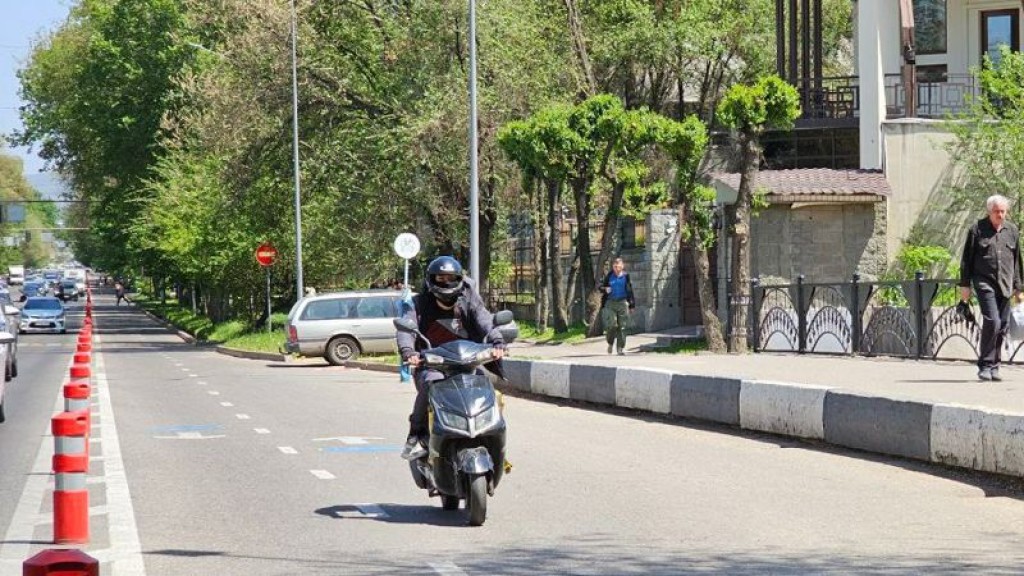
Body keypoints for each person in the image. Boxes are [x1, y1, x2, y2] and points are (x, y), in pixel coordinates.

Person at [396, 256, 506, 460]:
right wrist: (409, 352)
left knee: (485, 384)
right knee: (431, 383)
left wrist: (497, 341)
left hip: (467, 363)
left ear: (459, 279)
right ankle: (416, 435)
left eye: (451, 278)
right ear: (431, 280)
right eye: (440, 278)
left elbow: (484, 320)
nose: (446, 282)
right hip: (433, 364)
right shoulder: (419, 304)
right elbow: (406, 329)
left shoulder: (469, 299)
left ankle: (493, 436)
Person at [959, 194, 1024, 381]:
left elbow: (1017, 261)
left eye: (1003, 211)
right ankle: (985, 365)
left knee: (1002, 325)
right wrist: (965, 285)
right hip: (984, 282)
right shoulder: (977, 229)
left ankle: (995, 366)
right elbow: (966, 260)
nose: (1000, 215)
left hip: (1006, 284)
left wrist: (1019, 287)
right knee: (993, 321)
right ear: (989, 212)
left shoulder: (1011, 230)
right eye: (997, 212)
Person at [600, 257, 635, 355]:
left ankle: (620, 348)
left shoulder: (626, 276)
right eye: (615, 267)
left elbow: (630, 290)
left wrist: (632, 305)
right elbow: (600, 287)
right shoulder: (609, 276)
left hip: (622, 302)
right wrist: (605, 289)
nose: (616, 269)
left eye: (618, 267)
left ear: (622, 266)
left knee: (622, 326)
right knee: (612, 325)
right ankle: (610, 342)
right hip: (610, 302)